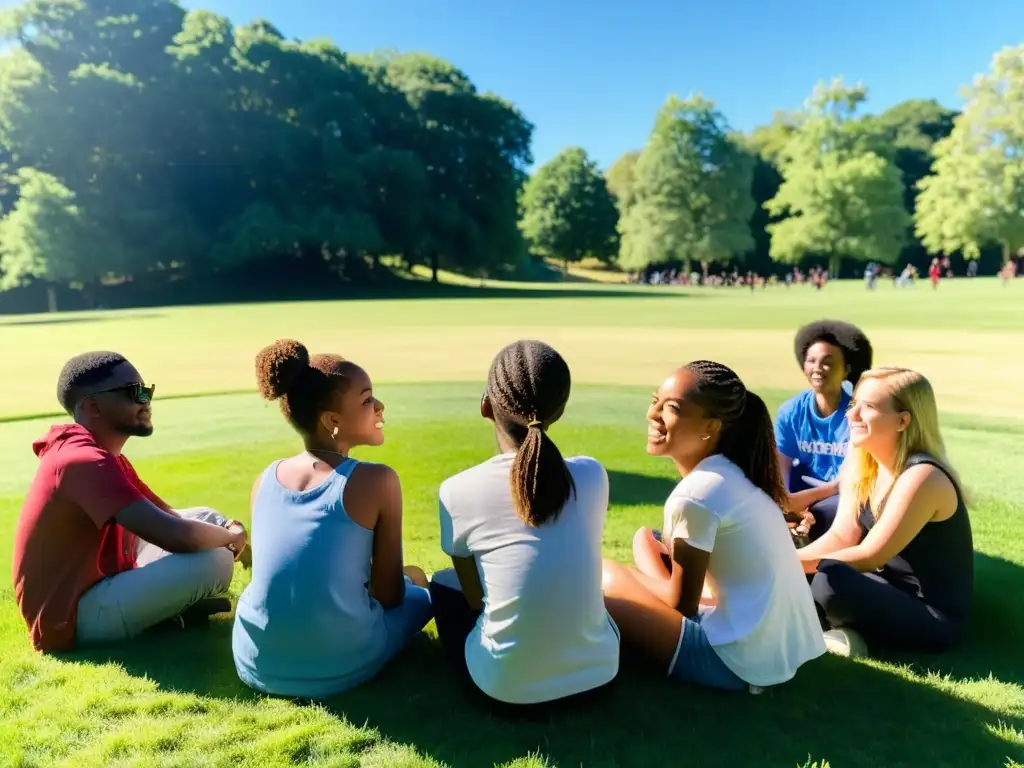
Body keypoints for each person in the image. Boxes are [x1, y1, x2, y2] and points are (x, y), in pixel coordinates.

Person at [602, 361, 825, 693]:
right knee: (646, 542)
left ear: (710, 427)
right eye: (655, 401)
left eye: (672, 408)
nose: (654, 415)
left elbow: (682, 607)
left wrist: (629, 582)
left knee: (602, 575)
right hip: (770, 654)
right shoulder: (730, 473)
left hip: (734, 662)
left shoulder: (696, 495)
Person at [232, 339, 432, 699]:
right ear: (333, 421)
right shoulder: (378, 480)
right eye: (368, 399)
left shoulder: (265, 478)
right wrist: (408, 581)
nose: (379, 407)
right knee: (422, 593)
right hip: (340, 663)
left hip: (254, 660)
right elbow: (389, 596)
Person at [12, 352, 248, 654]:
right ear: (93, 406)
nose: (145, 401)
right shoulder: (82, 460)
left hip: (102, 586)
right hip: (69, 619)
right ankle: (168, 616)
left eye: (146, 390)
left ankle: (172, 613)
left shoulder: (106, 456)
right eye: (133, 392)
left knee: (208, 518)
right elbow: (178, 537)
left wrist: (227, 529)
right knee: (214, 559)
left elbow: (171, 516)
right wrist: (233, 538)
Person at [429, 340, 620, 710]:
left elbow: (473, 598)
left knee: (441, 584)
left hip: (506, 693)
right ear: (559, 410)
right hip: (600, 678)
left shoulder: (456, 491)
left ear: (486, 405)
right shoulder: (593, 475)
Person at [798, 368, 973, 657]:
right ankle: (839, 631)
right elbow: (842, 536)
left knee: (830, 578)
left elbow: (870, 555)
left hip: (929, 615)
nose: (850, 414)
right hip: (883, 586)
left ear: (903, 420)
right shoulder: (863, 463)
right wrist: (785, 559)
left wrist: (780, 564)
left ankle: (829, 627)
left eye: (866, 407)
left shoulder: (923, 476)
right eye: (854, 404)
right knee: (816, 553)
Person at [775, 320, 873, 542]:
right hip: (800, 495)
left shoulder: (857, 413)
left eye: (828, 362)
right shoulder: (790, 411)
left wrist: (800, 504)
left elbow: (844, 482)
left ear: (846, 369)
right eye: (811, 361)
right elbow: (780, 471)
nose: (817, 368)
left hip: (842, 494)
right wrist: (785, 503)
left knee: (826, 512)